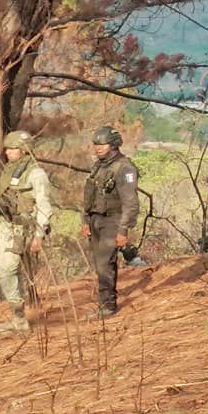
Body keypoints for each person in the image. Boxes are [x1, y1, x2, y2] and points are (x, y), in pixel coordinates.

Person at [0, 130, 54, 334]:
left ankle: (20, 319)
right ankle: (18, 318)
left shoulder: (36, 174)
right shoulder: (9, 170)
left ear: (24, 150)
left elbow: (44, 206)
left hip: (23, 228)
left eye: (13, 148)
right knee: (6, 271)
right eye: (7, 149)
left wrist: (39, 235)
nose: (8, 152)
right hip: (6, 225)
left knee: (6, 270)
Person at [81, 126, 139, 318]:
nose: (97, 148)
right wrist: (85, 220)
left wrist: (123, 230)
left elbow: (130, 203)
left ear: (113, 145)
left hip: (113, 220)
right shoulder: (98, 166)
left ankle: (107, 306)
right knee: (100, 263)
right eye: (95, 144)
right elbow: (89, 195)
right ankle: (105, 302)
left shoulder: (125, 168)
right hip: (96, 219)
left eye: (102, 144)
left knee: (105, 263)